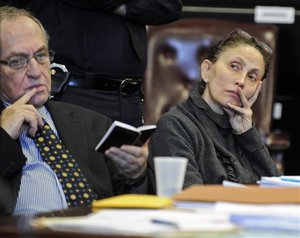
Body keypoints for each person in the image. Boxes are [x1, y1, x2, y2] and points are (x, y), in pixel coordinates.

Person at [0, 6, 148, 217]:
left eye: (41, 56)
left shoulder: (93, 124)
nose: (36, 72)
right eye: (18, 61)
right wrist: (3, 137)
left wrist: (135, 173)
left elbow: (127, 201)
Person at [3, 0, 183, 127]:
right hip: (67, 92)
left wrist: (118, 5)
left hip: (127, 97)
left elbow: (170, 6)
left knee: (130, 173)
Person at [147, 28, 280, 192]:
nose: (241, 81)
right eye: (234, 66)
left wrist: (247, 135)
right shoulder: (174, 126)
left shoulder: (243, 130)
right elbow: (191, 198)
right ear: (207, 71)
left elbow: (278, 191)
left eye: (252, 77)